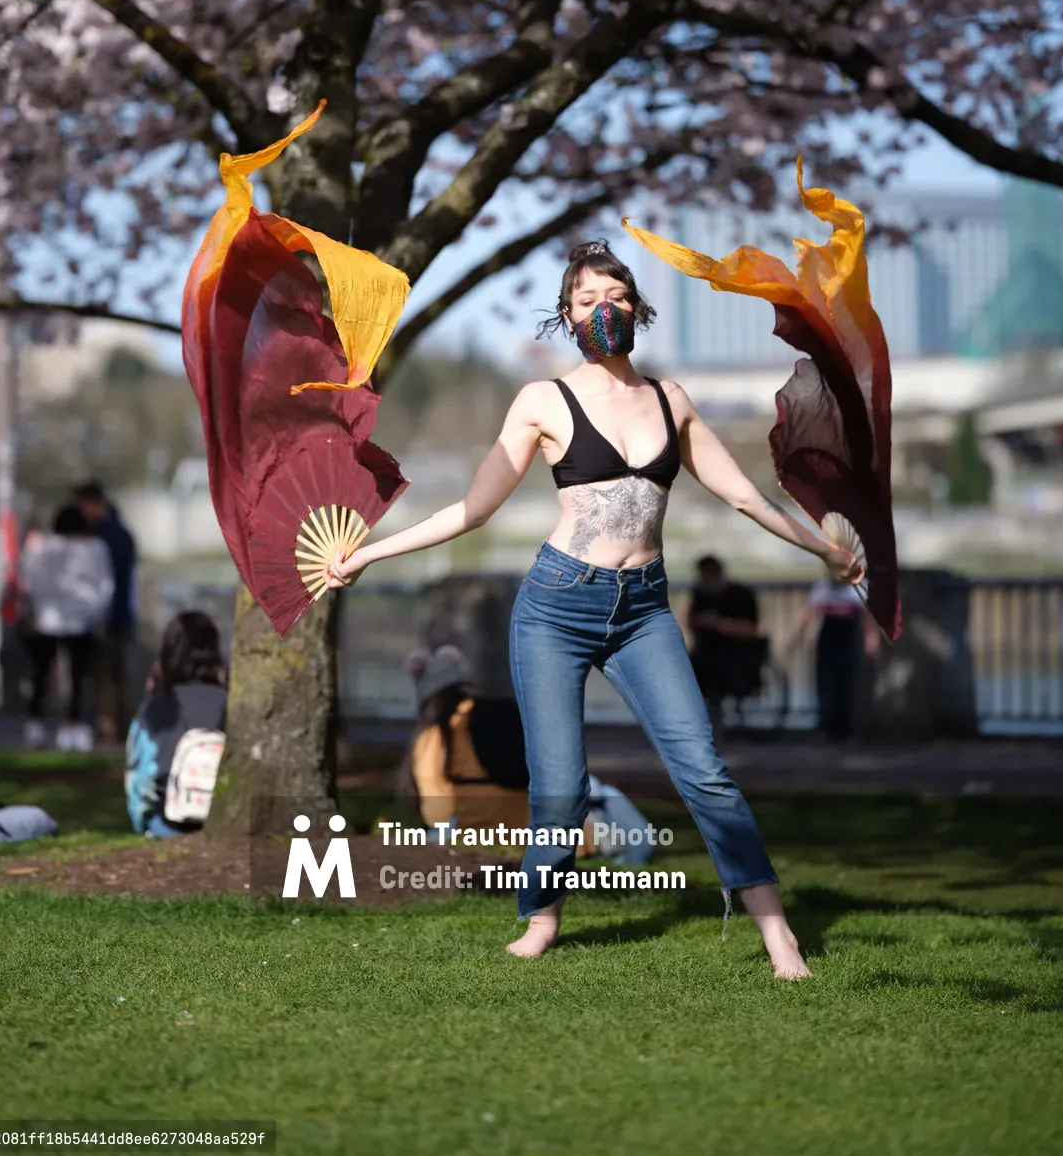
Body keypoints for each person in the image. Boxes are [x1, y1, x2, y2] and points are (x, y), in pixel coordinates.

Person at [326, 240, 862, 979]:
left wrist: (822, 551)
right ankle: (540, 918)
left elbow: (743, 494)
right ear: (567, 316)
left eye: (613, 298)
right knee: (561, 784)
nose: (601, 311)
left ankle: (779, 936)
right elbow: (474, 509)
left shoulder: (671, 400)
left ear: (636, 308)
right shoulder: (543, 401)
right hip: (556, 607)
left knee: (705, 772)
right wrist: (367, 555)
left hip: (644, 610)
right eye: (586, 302)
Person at [400, 644, 530, 833]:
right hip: (524, 831)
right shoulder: (504, 714)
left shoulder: (440, 731)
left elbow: (436, 808)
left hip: (474, 835)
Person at [19, 504, 115, 751]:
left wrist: (37, 608)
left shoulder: (45, 548)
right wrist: (96, 614)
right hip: (80, 621)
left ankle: (35, 722)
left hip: (48, 619)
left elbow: (31, 582)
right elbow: (105, 585)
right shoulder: (95, 549)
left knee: (41, 674)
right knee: (77, 677)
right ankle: (72, 724)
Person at [125, 611, 228, 838]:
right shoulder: (230, 704)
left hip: (167, 822)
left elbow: (140, 778)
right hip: (220, 817)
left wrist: (143, 823)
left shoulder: (156, 708)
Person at [73, 480, 138, 742]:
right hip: (122, 614)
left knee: (103, 678)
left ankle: (107, 729)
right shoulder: (122, 533)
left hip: (105, 616)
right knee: (118, 677)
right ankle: (122, 730)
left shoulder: (99, 536)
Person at [788, 577, 880, 742]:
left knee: (848, 681)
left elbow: (867, 616)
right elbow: (808, 613)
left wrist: (870, 639)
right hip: (829, 638)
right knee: (826, 682)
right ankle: (827, 726)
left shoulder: (858, 587)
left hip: (849, 638)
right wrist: (796, 639)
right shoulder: (822, 587)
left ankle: (847, 728)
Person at [687, 555, 765, 740]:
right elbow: (691, 621)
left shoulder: (740, 594)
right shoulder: (700, 594)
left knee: (717, 669)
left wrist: (719, 624)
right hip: (705, 654)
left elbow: (750, 629)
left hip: (737, 655)